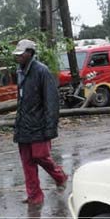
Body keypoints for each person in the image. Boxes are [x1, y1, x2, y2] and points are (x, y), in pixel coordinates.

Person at [12, 39, 68, 205]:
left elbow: (51, 102)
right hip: (23, 125)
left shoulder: (42, 71)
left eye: (21, 54)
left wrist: (51, 128)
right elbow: (20, 101)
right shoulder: (20, 71)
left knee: (41, 156)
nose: (18, 57)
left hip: (39, 125)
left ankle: (60, 176)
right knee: (27, 162)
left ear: (30, 53)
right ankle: (34, 196)